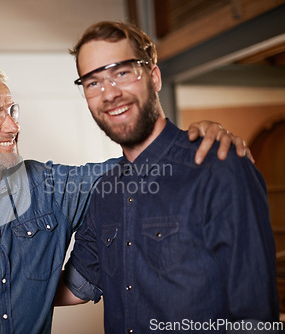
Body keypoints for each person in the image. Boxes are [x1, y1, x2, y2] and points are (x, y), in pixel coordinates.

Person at [0, 64, 249, 334]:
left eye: (12, 111)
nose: (13, 126)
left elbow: (128, 168)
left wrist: (194, 142)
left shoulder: (50, 188)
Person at [57, 21, 280, 333]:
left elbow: (255, 317)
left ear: (154, 77)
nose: (109, 93)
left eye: (121, 72)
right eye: (93, 83)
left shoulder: (220, 168)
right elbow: (78, 284)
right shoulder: (105, 192)